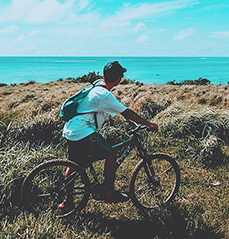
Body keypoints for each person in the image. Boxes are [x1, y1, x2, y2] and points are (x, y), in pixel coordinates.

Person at [60, 61, 158, 208]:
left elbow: (108, 108)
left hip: (71, 129)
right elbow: (126, 111)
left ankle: (67, 201)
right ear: (119, 78)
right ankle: (110, 193)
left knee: (74, 164)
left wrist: (125, 117)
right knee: (111, 154)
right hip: (83, 131)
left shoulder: (97, 85)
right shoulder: (104, 95)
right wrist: (148, 124)